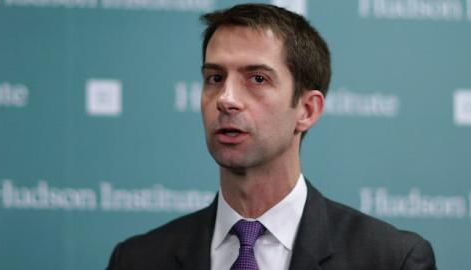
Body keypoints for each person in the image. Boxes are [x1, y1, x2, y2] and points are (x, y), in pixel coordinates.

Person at [107, 3, 436, 270]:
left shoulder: (391, 260)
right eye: (215, 77)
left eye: (258, 79)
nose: (226, 98)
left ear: (307, 109)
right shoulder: (137, 260)